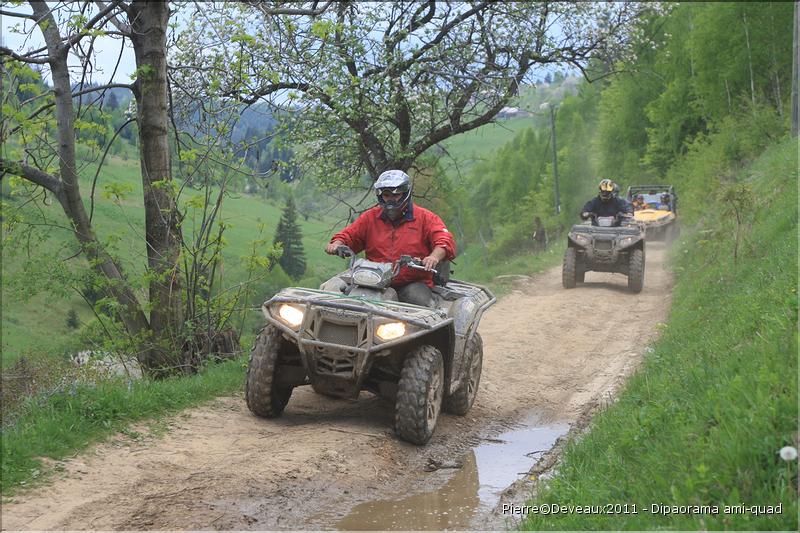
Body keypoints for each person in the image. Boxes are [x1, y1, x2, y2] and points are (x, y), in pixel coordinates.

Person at [325, 170, 456, 307]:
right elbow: (349, 235)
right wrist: (337, 244)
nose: (391, 199)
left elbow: (444, 240)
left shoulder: (426, 218)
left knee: (420, 303)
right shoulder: (370, 217)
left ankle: (431, 327)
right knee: (335, 294)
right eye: (386, 195)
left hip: (411, 282)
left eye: (396, 195)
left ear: (405, 193)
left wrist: (434, 257)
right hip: (373, 280)